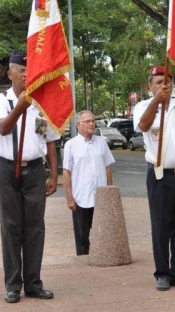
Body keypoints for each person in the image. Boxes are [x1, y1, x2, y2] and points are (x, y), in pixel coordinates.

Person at [0, 50, 59, 303]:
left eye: (30, 71)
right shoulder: (0, 100)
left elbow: (50, 142)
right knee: (11, 228)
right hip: (7, 169)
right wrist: (21, 105)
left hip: (35, 171)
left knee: (35, 228)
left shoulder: (42, 104)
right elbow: (5, 128)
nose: (26, 75)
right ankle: (13, 285)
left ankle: (33, 283)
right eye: (21, 70)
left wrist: (54, 174)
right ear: (10, 74)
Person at [133, 66, 175, 291]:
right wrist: (156, 102)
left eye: (168, 82)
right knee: (161, 225)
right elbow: (143, 126)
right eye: (160, 82)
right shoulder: (143, 106)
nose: (165, 85)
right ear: (149, 86)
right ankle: (162, 273)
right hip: (159, 175)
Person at [63, 110, 115, 256]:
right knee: (82, 237)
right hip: (81, 198)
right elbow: (66, 172)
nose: (92, 124)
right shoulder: (71, 145)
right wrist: (69, 198)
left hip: (101, 196)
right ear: (79, 124)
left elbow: (107, 167)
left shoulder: (101, 142)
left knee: (103, 232)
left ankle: (104, 257)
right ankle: (83, 264)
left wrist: (110, 191)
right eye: (88, 121)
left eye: (93, 121)